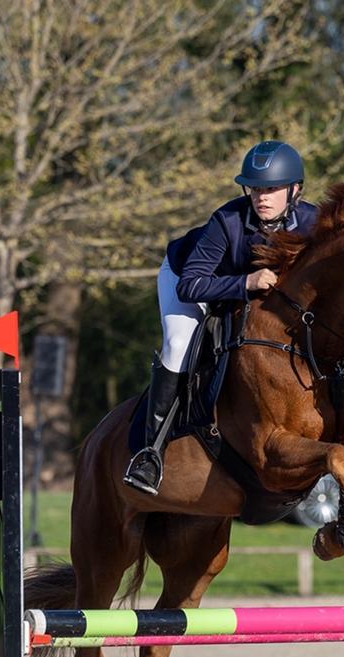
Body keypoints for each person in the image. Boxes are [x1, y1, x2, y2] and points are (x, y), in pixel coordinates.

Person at [123, 140, 317, 495]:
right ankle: (150, 453)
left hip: (245, 295)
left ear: (295, 190)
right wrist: (246, 282)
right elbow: (192, 286)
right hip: (186, 278)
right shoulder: (227, 221)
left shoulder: (313, 224)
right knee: (178, 344)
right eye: (255, 188)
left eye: (271, 189)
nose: (262, 197)